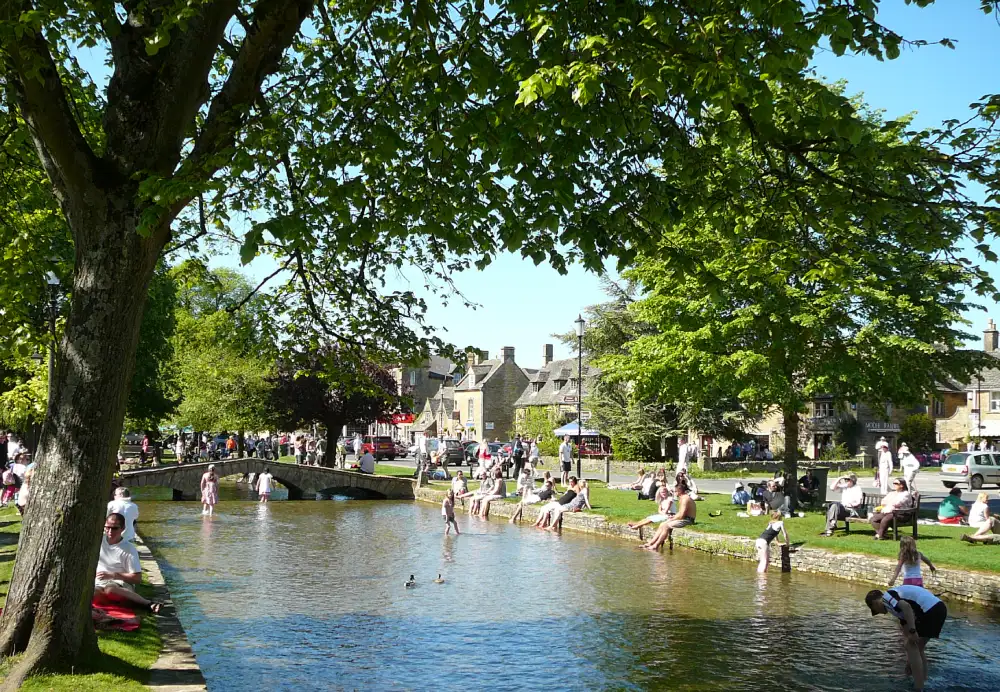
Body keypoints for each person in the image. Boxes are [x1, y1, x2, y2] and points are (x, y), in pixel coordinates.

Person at [865, 586, 947, 692]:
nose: (880, 613)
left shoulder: (887, 597)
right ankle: (923, 680)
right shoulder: (894, 608)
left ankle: (919, 687)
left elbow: (906, 606)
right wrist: (910, 662)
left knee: (911, 645)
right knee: (917, 647)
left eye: (875, 610)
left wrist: (913, 631)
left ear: (875, 603)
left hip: (930, 609)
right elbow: (905, 627)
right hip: (937, 608)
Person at [95, 512, 163, 613]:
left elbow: (137, 578)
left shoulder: (129, 548)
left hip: (119, 583)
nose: (110, 531)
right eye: (107, 527)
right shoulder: (98, 541)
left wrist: (114, 575)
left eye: (114, 528)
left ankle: (147, 604)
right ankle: (119, 604)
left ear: (123, 528)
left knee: (110, 590)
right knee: (94, 593)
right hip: (99, 582)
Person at [640, 479, 696, 551]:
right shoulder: (682, 498)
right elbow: (680, 513)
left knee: (666, 526)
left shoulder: (685, 499)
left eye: (675, 491)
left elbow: (681, 515)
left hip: (688, 520)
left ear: (679, 491)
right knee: (662, 524)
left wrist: (672, 519)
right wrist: (673, 517)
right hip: (684, 518)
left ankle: (656, 546)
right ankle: (650, 543)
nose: (673, 492)